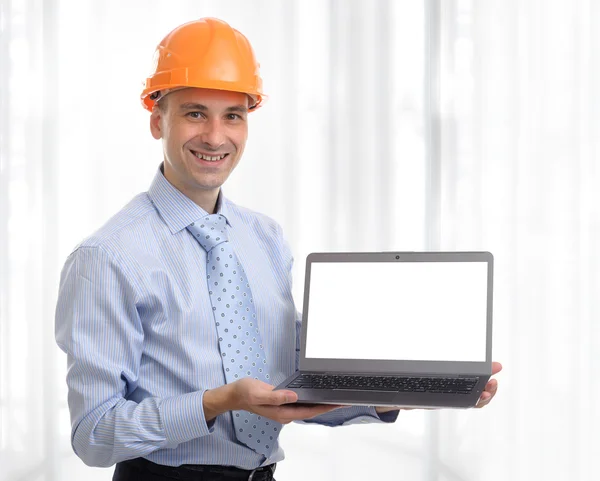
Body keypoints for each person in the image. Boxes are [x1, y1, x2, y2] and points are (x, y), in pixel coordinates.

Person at [55, 17, 501, 481]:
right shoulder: (107, 258)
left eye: (233, 115)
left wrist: (400, 392)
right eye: (194, 113)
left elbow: (289, 389)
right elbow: (93, 433)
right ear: (156, 120)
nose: (214, 136)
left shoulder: (264, 238)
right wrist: (216, 402)